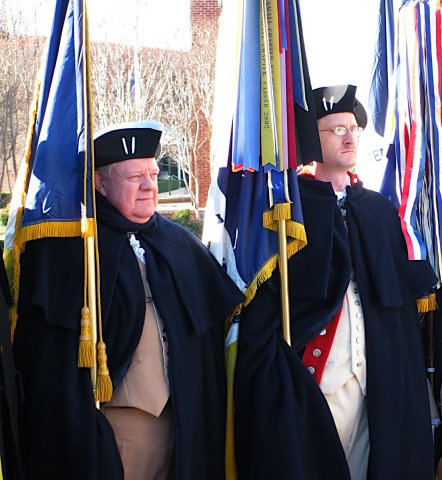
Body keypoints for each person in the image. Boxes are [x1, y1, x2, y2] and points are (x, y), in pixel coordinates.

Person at [12, 120, 244, 480]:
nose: (150, 186)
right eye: (134, 177)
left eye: (152, 173)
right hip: (115, 430)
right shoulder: (72, 250)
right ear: (99, 183)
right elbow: (46, 359)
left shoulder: (178, 243)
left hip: (182, 425)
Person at [234, 85, 437, 479]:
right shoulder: (287, 213)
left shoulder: (378, 210)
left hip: (377, 386)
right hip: (316, 386)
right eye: (334, 130)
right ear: (313, 138)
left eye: (352, 128)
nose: (348, 137)